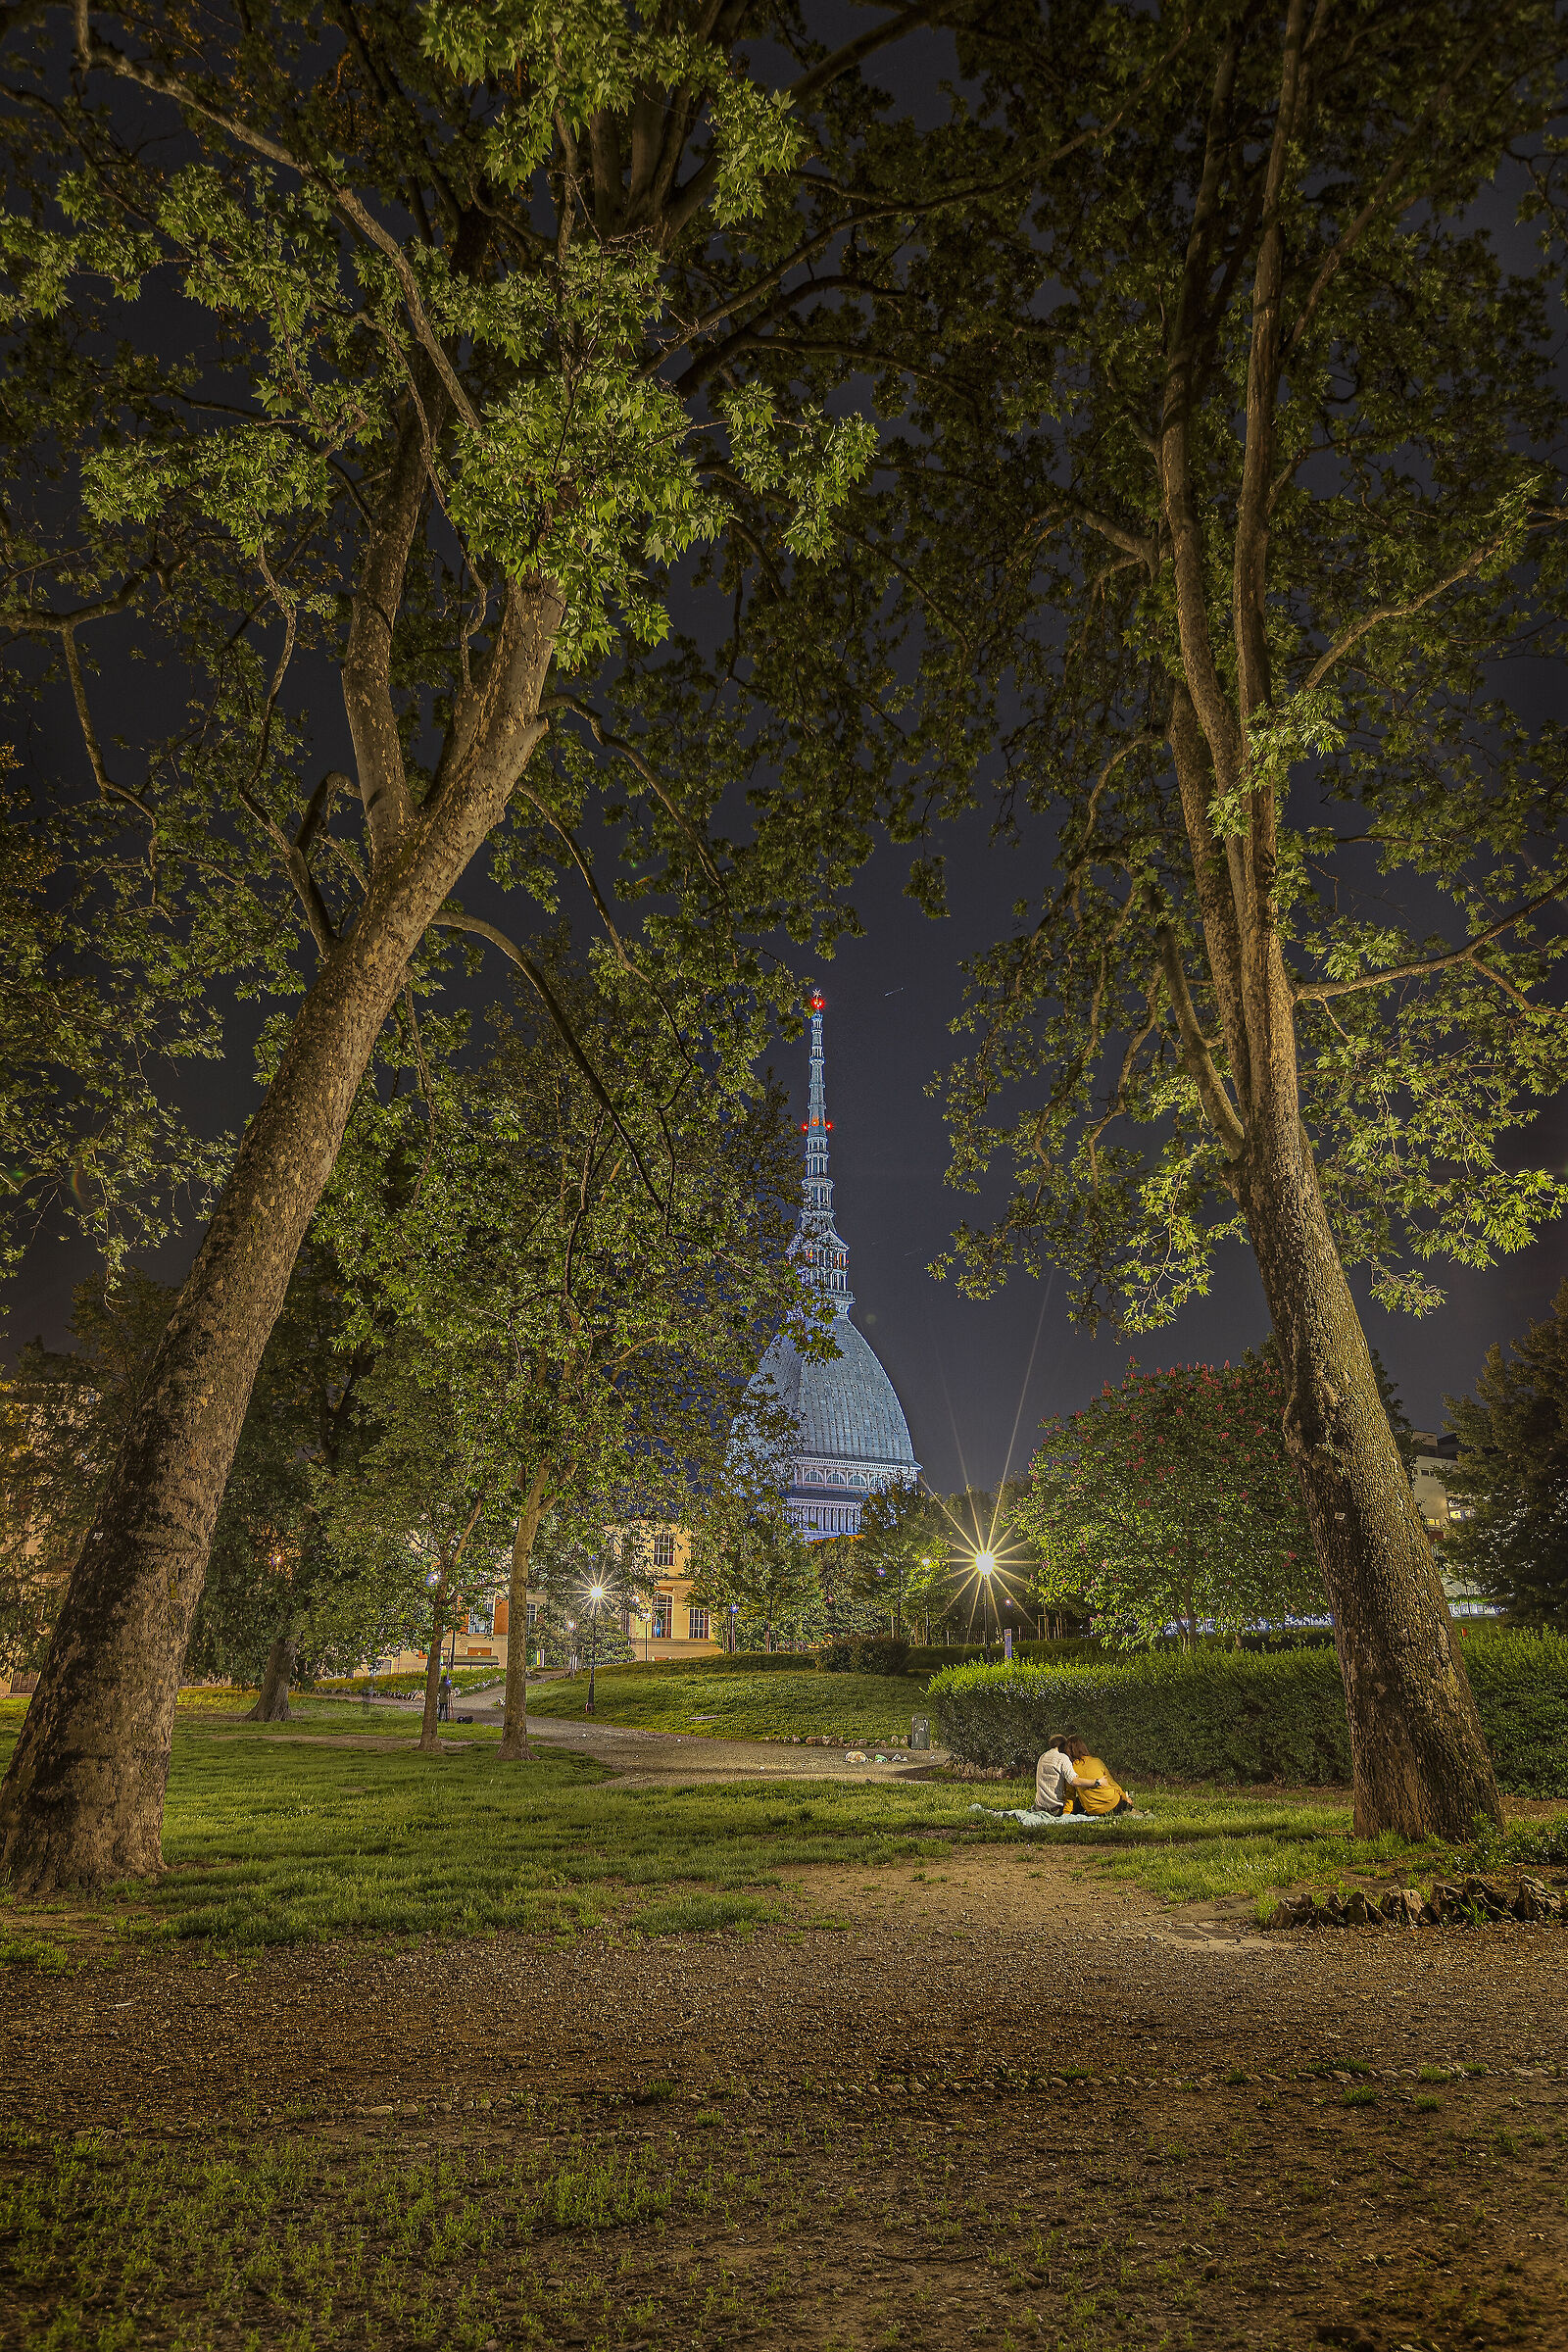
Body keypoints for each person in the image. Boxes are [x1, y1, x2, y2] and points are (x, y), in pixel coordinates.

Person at [1059, 1733, 1134, 1815]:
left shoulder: (1070, 1769)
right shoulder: (1096, 1761)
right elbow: (1112, 1783)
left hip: (1095, 1811)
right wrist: (1125, 1798)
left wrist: (1066, 1814)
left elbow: (1070, 1795)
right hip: (1114, 1803)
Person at [1034, 1731, 1105, 1817]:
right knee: (1081, 1801)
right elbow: (1074, 1781)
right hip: (1055, 1810)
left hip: (1039, 1808)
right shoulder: (1062, 1758)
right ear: (1062, 1746)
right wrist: (1097, 1782)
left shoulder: (1042, 1757)